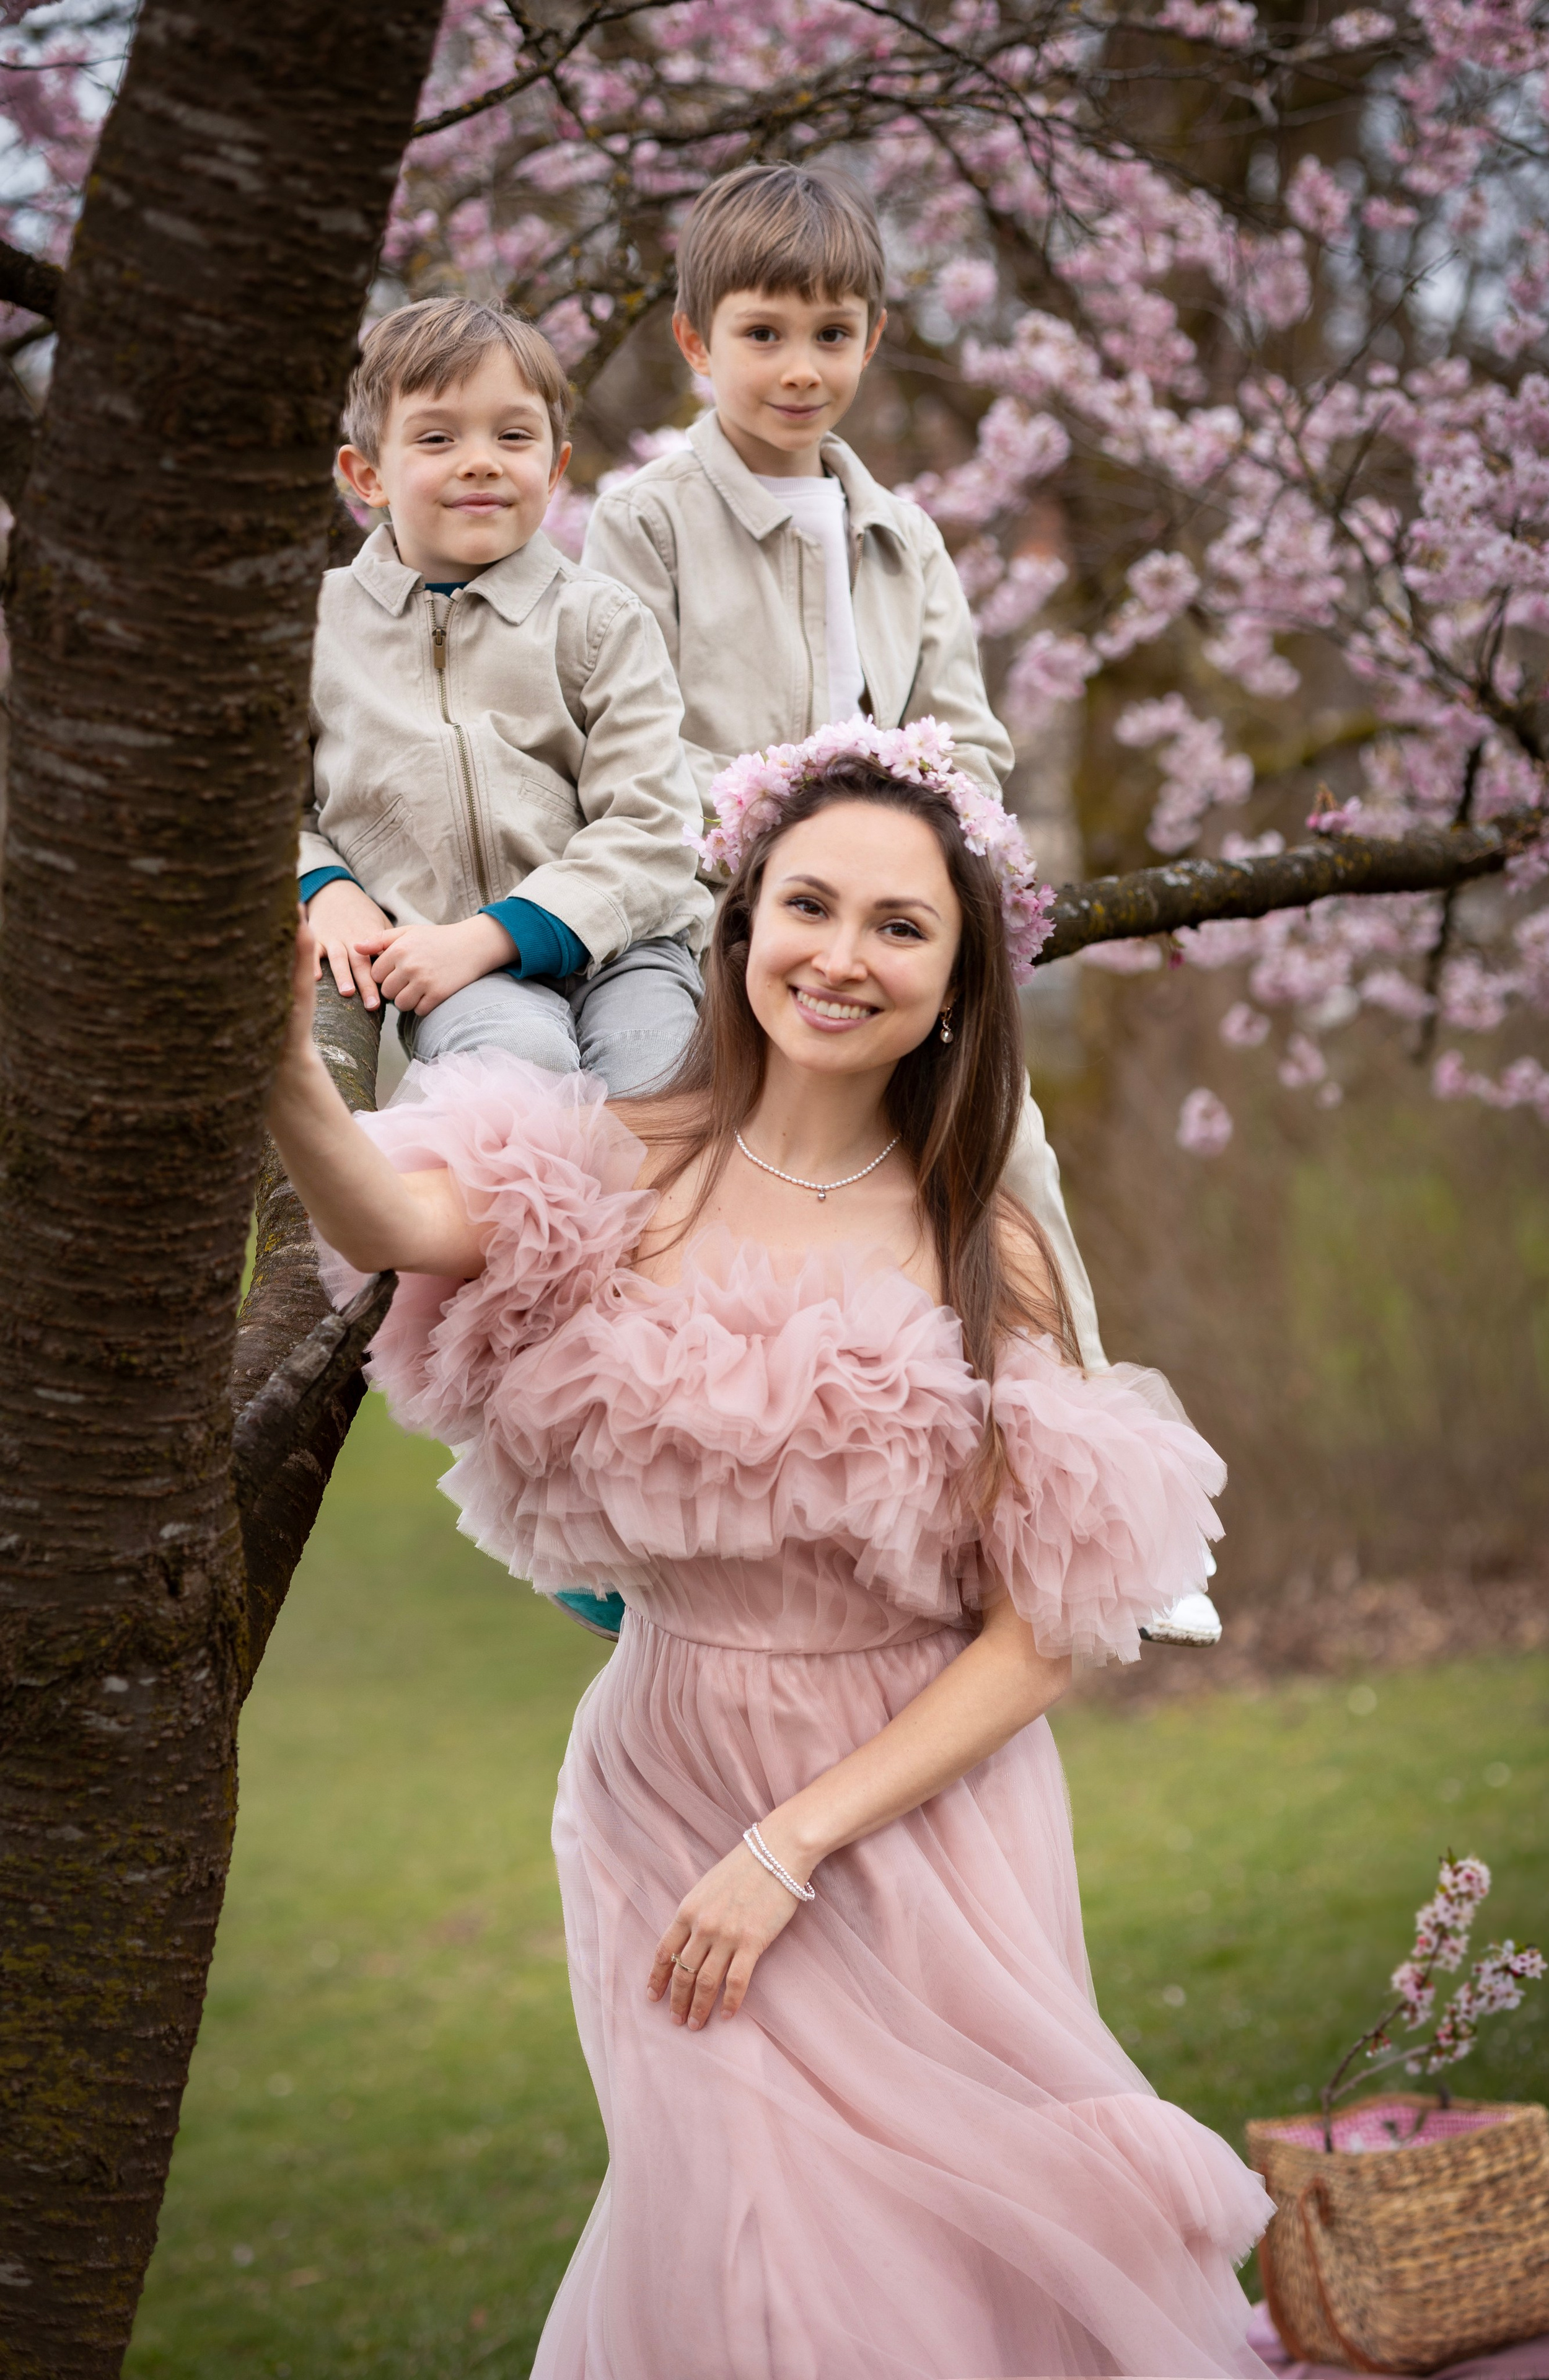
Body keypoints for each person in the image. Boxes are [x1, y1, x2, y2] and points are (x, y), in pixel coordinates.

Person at [269, 729, 1271, 2378]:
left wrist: (793, 1846)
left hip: (911, 1812)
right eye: (809, 905)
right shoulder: (615, 1165)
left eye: (900, 927)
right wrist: (278, 1069)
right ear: (737, 935)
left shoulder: (978, 1243)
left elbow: (1048, 1633)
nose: (843, 955)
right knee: (752, 2258)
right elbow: (392, 1226)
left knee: (961, 2258)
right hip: (660, 1787)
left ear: (955, 987)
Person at [583, 162, 1220, 1647]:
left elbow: (973, 744)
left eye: (831, 332)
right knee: (686, 1172)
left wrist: (921, 821)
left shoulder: (902, 536)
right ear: (695, 342)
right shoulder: (644, 525)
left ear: (870, 340)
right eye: (762, 333)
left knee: (1011, 1157)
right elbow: (624, 736)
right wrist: (770, 815)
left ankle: (1093, 1503)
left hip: (883, 912)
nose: (799, 368)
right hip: (720, 914)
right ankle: (654, 1505)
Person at [301, 295, 713, 1098]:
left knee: (659, 1087)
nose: (481, 460)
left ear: (555, 469)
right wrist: (327, 886)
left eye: (513, 435)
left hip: (621, 942)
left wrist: (501, 932)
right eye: (437, 437)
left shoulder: (598, 620)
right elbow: (256, 808)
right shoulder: (316, 629)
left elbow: (655, 823)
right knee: (520, 1074)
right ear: (366, 475)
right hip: (443, 954)